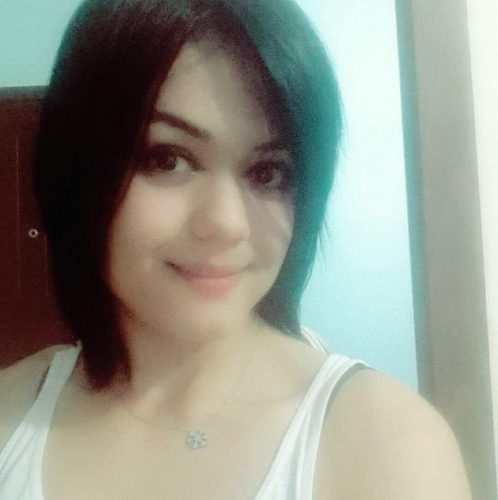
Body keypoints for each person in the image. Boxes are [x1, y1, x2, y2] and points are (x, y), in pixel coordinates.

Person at [0, 0, 472, 498]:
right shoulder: (12, 412)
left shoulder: (388, 446)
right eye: (168, 159)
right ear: (78, 171)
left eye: (268, 172)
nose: (227, 225)